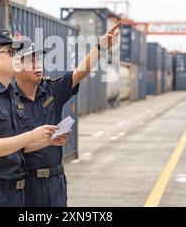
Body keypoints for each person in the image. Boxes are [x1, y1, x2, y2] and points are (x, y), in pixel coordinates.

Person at [15, 22, 121, 207]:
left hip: (54, 182)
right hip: (24, 184)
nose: (37, 64)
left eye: (38, 59)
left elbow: (79, 72)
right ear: (16, 67)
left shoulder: (52, 90)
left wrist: (100, 47)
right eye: (30, 61)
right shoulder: (7, 100)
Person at [0, 29, 66, 207]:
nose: (17, 56)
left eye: (18, 52)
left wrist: (48, 140)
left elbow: (16, 145)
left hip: (16, 194)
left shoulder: (10, 96)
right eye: (11, 52)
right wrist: (32, 136)